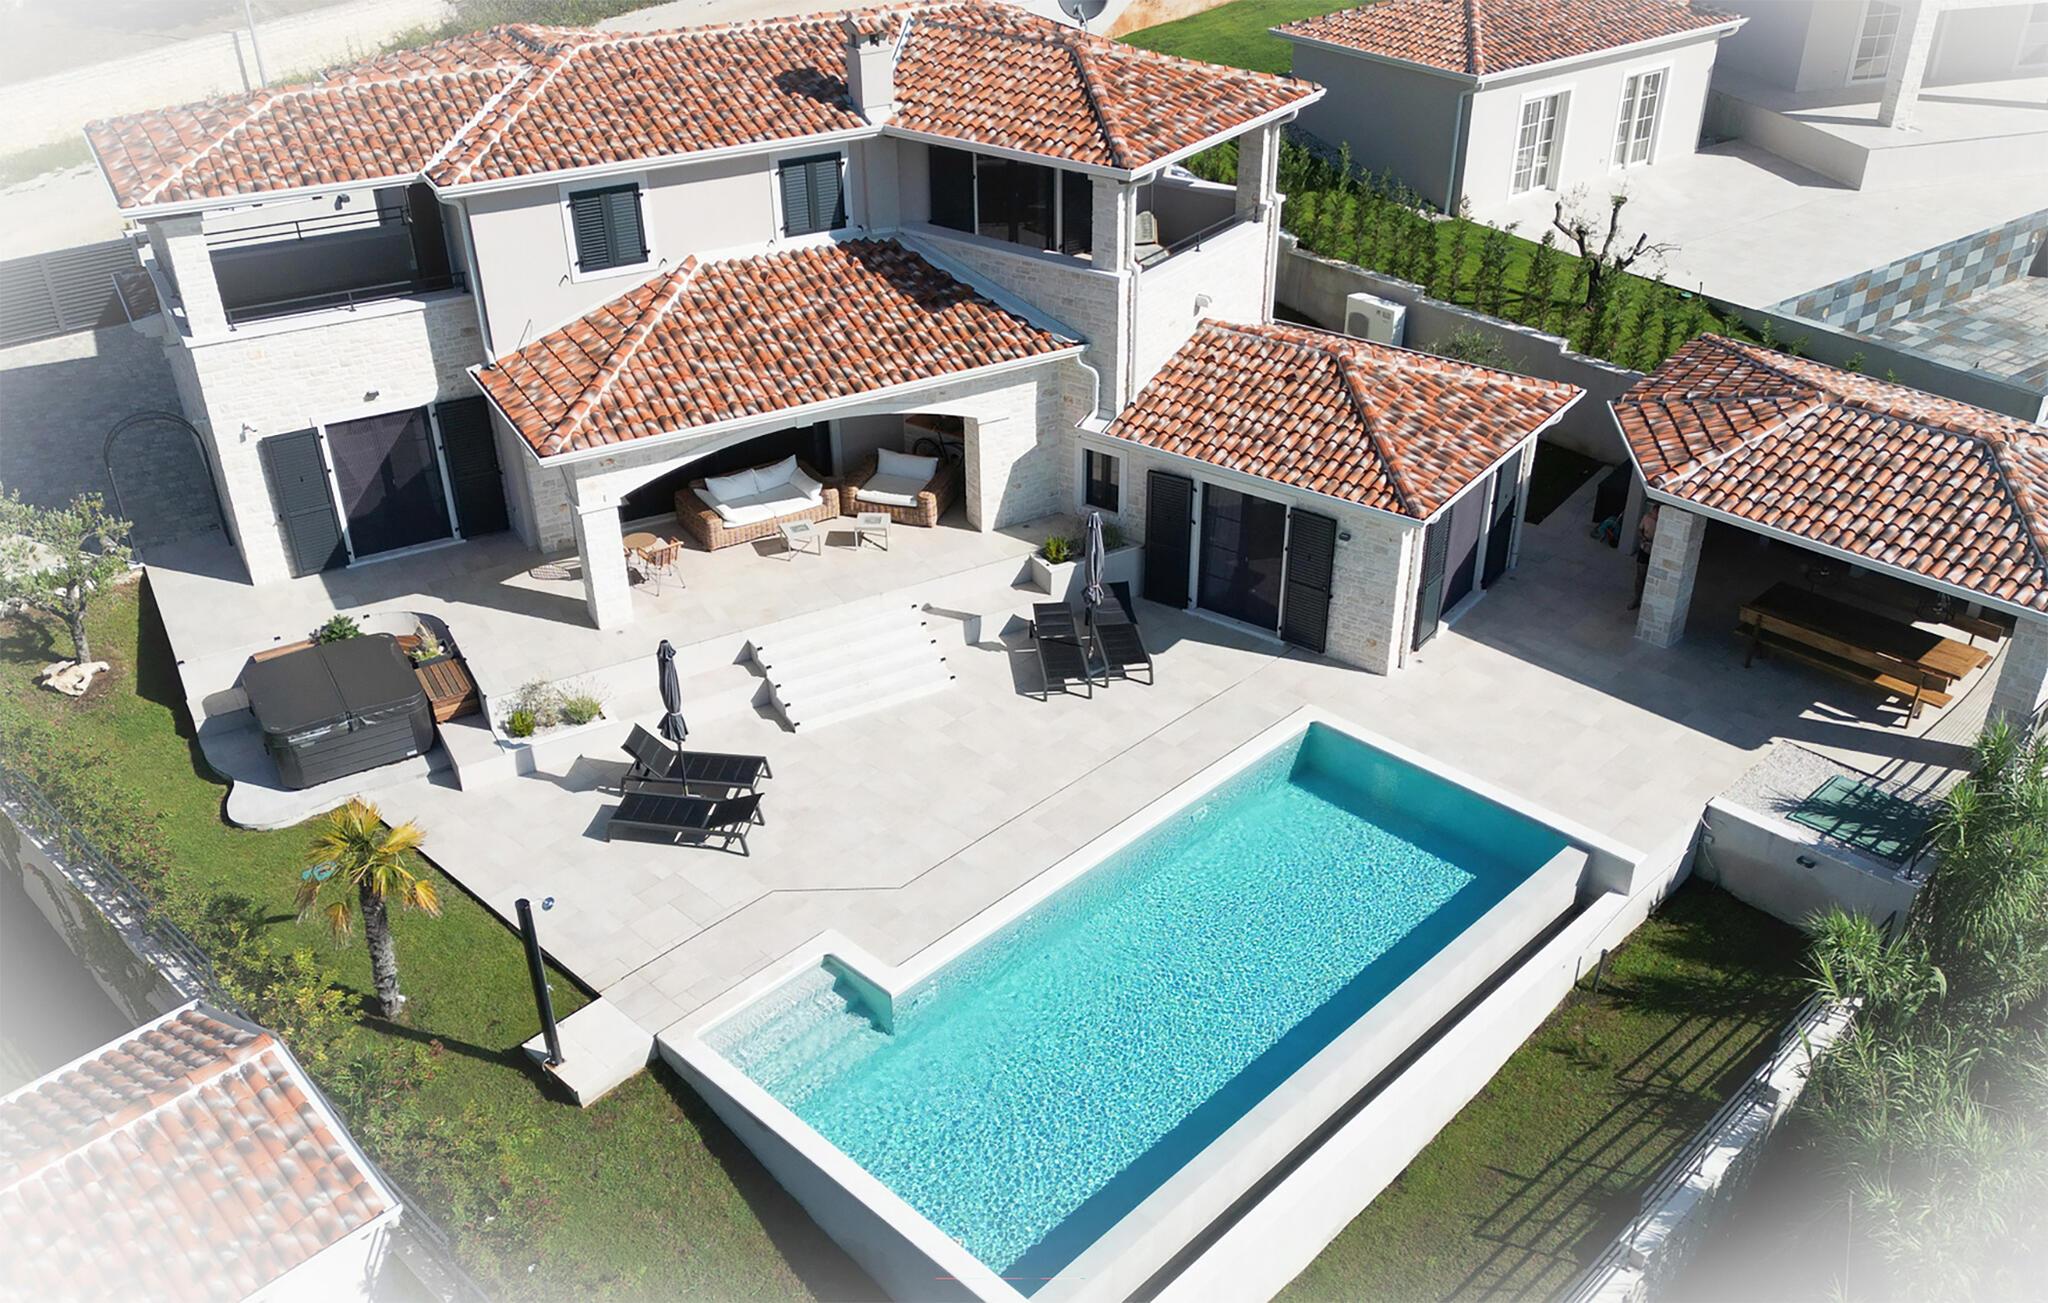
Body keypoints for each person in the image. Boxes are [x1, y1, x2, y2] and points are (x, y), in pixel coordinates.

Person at [1628, 505, 1659, 611]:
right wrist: (1643, 538)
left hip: (1656, 552)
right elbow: (1640, 530)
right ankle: (1636, 599)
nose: (1655, 514)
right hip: (1644, 550)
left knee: (1653, 579)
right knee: (1640, 576)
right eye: (1654, 512)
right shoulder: (1647, 518)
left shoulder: (1662, 523)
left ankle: (1649, 602)